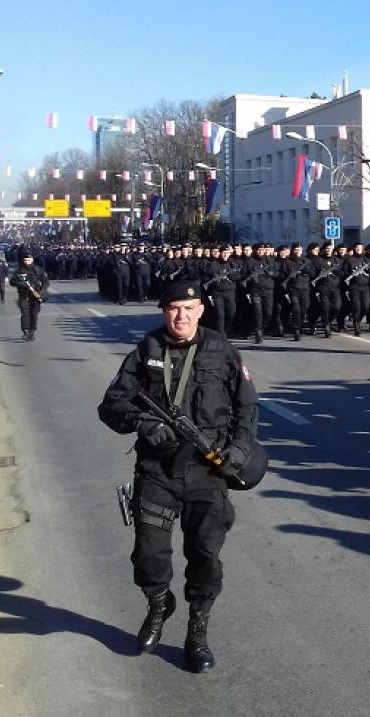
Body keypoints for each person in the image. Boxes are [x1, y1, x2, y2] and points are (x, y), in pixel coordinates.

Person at [97, 280, 260, 673]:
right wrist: (142, 423)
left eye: (188, 308)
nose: (181, 316)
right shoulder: (147, 349)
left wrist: (236, 454)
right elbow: (110, 404)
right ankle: (158, 603)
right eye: (173, 308)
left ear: (201, 310)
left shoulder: (222, 351)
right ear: (163, 311)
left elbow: (247, 409)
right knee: (149, 556)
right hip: (157, 471)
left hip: (208, 472)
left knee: (204, 556)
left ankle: (197, 632)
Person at [10, 253, 49, 341]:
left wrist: (41, 292)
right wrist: (21, 284)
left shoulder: (38, 270)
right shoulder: (19, 270)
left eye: (28, 260)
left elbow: (46, 282)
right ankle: (25, 331)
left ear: (32, 260)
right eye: (25, 260)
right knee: (25, 313)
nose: (27, 262)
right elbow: (12, 282)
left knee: (34, 314)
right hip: (24, 295)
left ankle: (32, 331)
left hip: (35, 296)